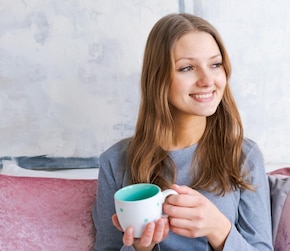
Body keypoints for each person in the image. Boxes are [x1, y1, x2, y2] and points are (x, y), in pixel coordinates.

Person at [92, 13, 273, 251]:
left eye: (215, 64)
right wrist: (140, 248)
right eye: (187, 67)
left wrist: (218, 228)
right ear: (158, 78)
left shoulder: (244, 156)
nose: (208, 80)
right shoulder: (115, 162)